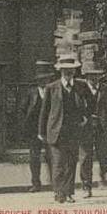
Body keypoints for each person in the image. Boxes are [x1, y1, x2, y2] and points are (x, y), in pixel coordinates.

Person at [38, 55, 89, 204]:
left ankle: (69, 193)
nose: (68, 73)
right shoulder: (51, 87)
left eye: (71, 70)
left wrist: (85, 117)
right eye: (65, 70)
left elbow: (90, 104)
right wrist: (41, 132)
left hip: (74, 131)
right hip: (56, 131)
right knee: (59, 163)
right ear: (60, 71)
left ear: (74, 71)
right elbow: (44, 111)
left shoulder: (81, 86)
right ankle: (59, 192)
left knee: (71, 163)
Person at [79, 62, 107, 197]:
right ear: (86, 77)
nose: (93, 78)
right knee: (85, 157)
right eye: (91, 76)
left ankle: (103, 172)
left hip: (103, 127)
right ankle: (86, 186)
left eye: (96, 76)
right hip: (86, 127)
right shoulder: (80, 90)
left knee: (105, 154)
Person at [19, 61, 54, 192]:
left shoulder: (53, 92)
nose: (43, 82)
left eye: (45, 79)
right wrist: (25, 126)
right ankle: (36, 183)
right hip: (34, 130)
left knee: (52, 156)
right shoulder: (31, 92)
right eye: (40, 79)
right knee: (34, 157)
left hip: (49, 129)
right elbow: (22, 110)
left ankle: (54, 182)